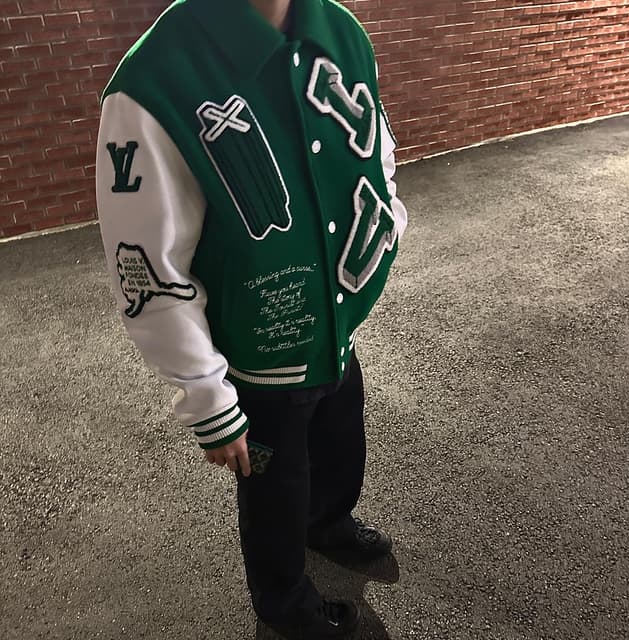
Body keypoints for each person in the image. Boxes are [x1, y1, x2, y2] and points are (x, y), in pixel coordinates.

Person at [95, 0, 407, 637]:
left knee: (340, 439)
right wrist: (206, 396)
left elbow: (377, 154)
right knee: (274, 487)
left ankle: (328, 522)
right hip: (257, 357)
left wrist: (389, 225)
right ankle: (283, 602)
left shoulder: (341, 31)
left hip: (333, 325)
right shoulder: (155, 79)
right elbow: (148, 265)